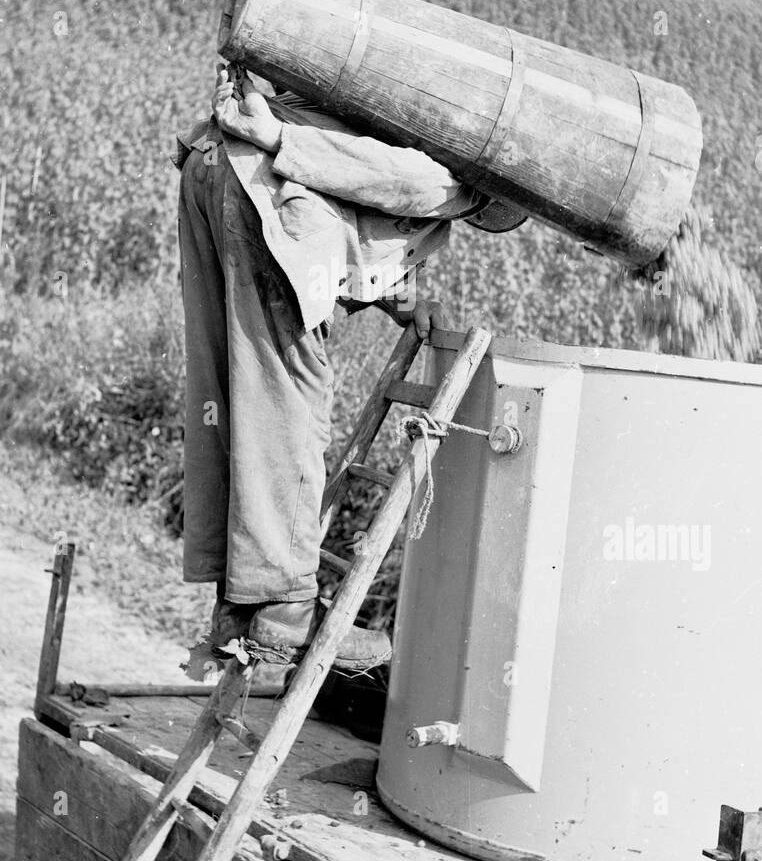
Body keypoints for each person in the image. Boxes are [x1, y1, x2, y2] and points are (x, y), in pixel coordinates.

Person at [173, 61, 514, 672]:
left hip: (215, 168)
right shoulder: (452, 178)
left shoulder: (413, 116)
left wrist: (406, 304)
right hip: (266, 193)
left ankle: (238, 603)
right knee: (293, 406)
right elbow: (371, 173)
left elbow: (358, 215)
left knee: (230, 394)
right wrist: (277, 139)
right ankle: (285, 615)